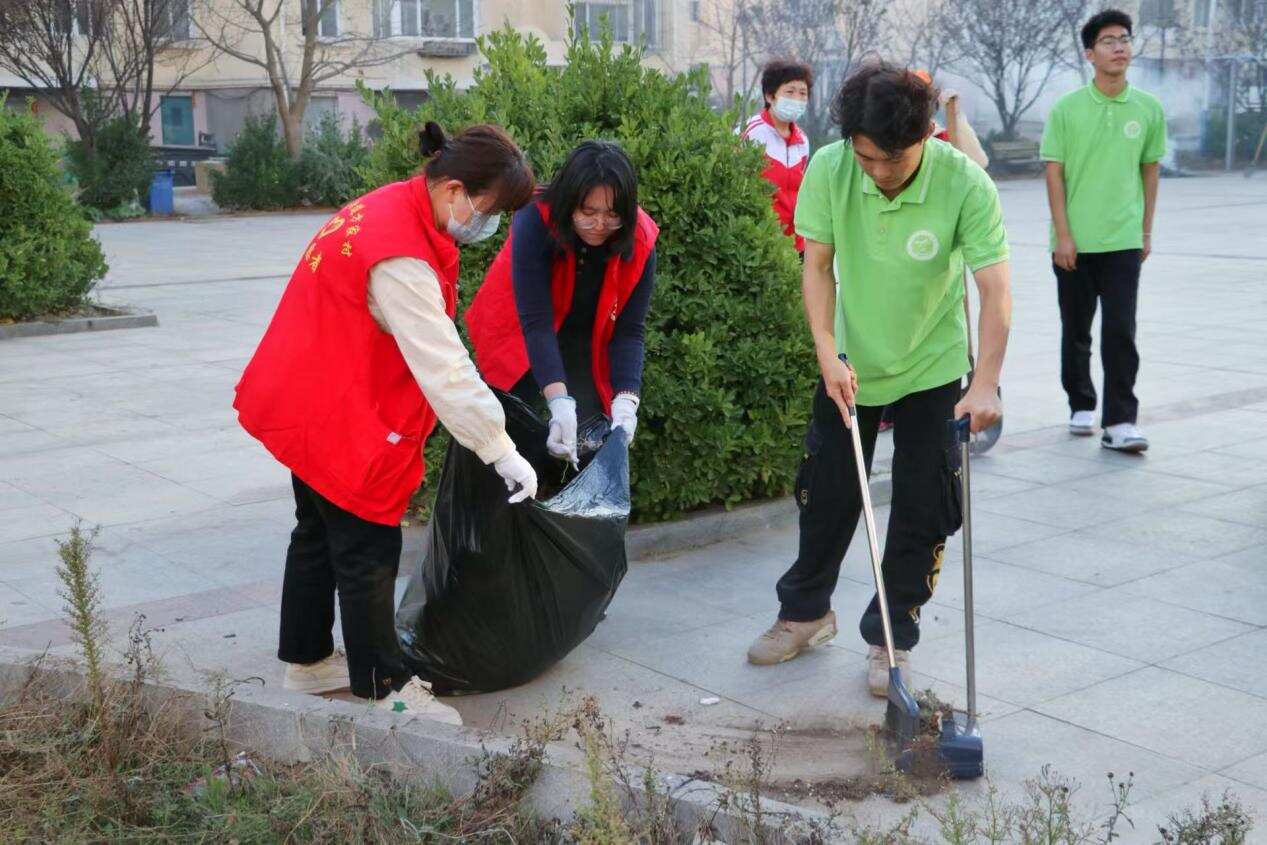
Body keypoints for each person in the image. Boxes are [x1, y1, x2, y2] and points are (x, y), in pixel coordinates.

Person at [234, 122, 539, 722]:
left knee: (316, 533)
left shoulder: (381, 208)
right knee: (368, 548)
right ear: (454, 190)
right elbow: (443, 365)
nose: (489, 223)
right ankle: (385, 689)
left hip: (309, 396)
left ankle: (307, 660)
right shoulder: (400, 253)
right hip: (341, 410)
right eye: (490, 209)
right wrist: (498, 447)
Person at [745, 64, 1013, 698]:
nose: (882, 171)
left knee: (924, 507)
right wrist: (828, 353)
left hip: (933, 366)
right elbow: (818, 269)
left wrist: (986, 384)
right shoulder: (832, 169)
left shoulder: (964, 184)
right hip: (852, 364)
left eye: (895, 158)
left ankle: (891, 637)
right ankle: (806, 613)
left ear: (926, 134)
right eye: (869, 157)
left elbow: (995, 291)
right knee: (827, 491)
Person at [466, 141, 659, 462]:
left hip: (584, 338)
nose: (599, 225)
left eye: (613, 215)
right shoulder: (536, 217)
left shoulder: (640, 238)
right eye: (588, 212)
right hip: (519, 332)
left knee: (591, 435)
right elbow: (536, 323)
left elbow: (630, 331)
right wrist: (558, 403)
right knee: (508, 436)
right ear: (570, 202)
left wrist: (626, 402)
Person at [1042, 9, 1164, 452]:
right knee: (1076, 329)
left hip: (1123, 241)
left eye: (1125, 39)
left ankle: (1121, 421)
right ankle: (1081, 402)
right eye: (1109, 41)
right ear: (1090, 53)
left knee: (1121, 331)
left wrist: (1146, 232)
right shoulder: (1067, 110)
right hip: (1074, 242)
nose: (1119, 47)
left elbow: (1150, 173)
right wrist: (1064, 236)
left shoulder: (1148, 109)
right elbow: (1054, 174)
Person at [879, 72, 990, 433]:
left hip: (939, 257)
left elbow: (975, 166)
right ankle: (889, 404)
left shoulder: (939, 136)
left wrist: (956, 117)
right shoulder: (886, 140)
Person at [741, 60, 812, 253]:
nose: (797, 98)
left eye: (803, 93)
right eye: (790, 92)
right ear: (770, 96)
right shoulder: (751, 133)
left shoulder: (803, 141)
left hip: (796, 244)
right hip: (760, 243)